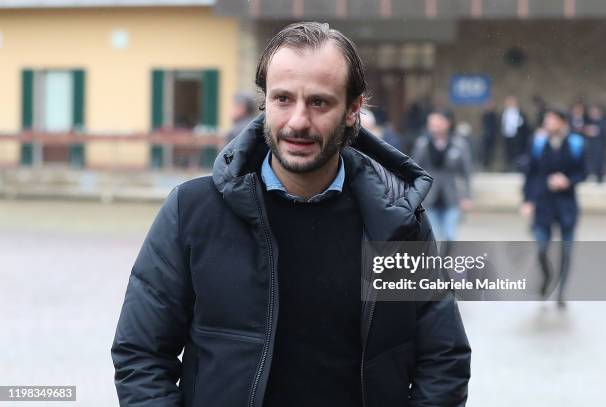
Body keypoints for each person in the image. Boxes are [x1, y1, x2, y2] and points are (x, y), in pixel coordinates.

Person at [111, 22, 470, 407]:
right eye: (283, 99)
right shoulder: (192, 211)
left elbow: (442, 359)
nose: (298, 121)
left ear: (353, 110)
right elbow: (142, 355)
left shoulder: (396, 223)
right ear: (265, 102)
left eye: (319, 102)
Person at [522, 108, 587, 308]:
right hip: (543, 203)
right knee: (541, 248)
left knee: (566, 251)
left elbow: (583, 172)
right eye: (546, 119)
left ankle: (561, 291)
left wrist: (568, 180)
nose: (547, 123)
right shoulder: (538, 142)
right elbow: (531, 173)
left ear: (562, 122)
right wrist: (528, 200)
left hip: (567, 205)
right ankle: (546, 278)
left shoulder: (576, 144)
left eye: (551, 120)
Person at [412, 110, 473, 255]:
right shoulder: (422, 144)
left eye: (437, 123)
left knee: (450, 236)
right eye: (431, 124)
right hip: (429, 198)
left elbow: (466, 173)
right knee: (432, 237)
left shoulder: (459, 144)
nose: (434, 127)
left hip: (451, 197)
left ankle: (445, 262)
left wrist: (467, 196)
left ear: (447, 123)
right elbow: (413, 169)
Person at [501, 96, 530, 171]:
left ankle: (517, 168)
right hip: (507, 136)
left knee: (517, 153)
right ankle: (508, 167)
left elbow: (525, 127)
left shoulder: (520, 113)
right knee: (508, 153)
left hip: (517, 137)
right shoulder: (504, 113)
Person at [584, 104, 606, 183]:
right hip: (590, 144)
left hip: (599, 144)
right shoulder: (589, 120)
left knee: (599, 161)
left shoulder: (603, 120)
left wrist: (596, 131)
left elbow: (604, 132)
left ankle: (600, 177)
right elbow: (585, 129)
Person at [480, 100, 498, 170]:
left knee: (492, 151)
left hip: (492, 136)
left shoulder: (494, 115)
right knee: (485, 151)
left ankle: (491, 165)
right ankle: (485, 165)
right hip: (485, 136)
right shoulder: (484, 115)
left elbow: (495, 126)